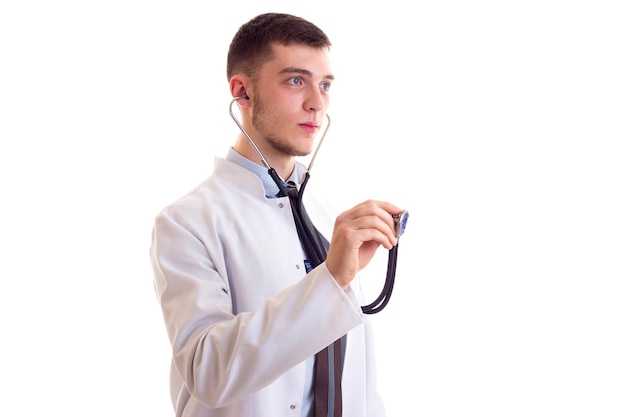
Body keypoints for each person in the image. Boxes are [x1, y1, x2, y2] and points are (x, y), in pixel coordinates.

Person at [150, 12, 402, 417]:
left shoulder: (328, 219)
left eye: (324, 86)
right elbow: (207, 371)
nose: (316, 104)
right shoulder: (187, 223)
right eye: (296, 80)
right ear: (242, 92)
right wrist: (330, 279)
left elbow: (358, 377)